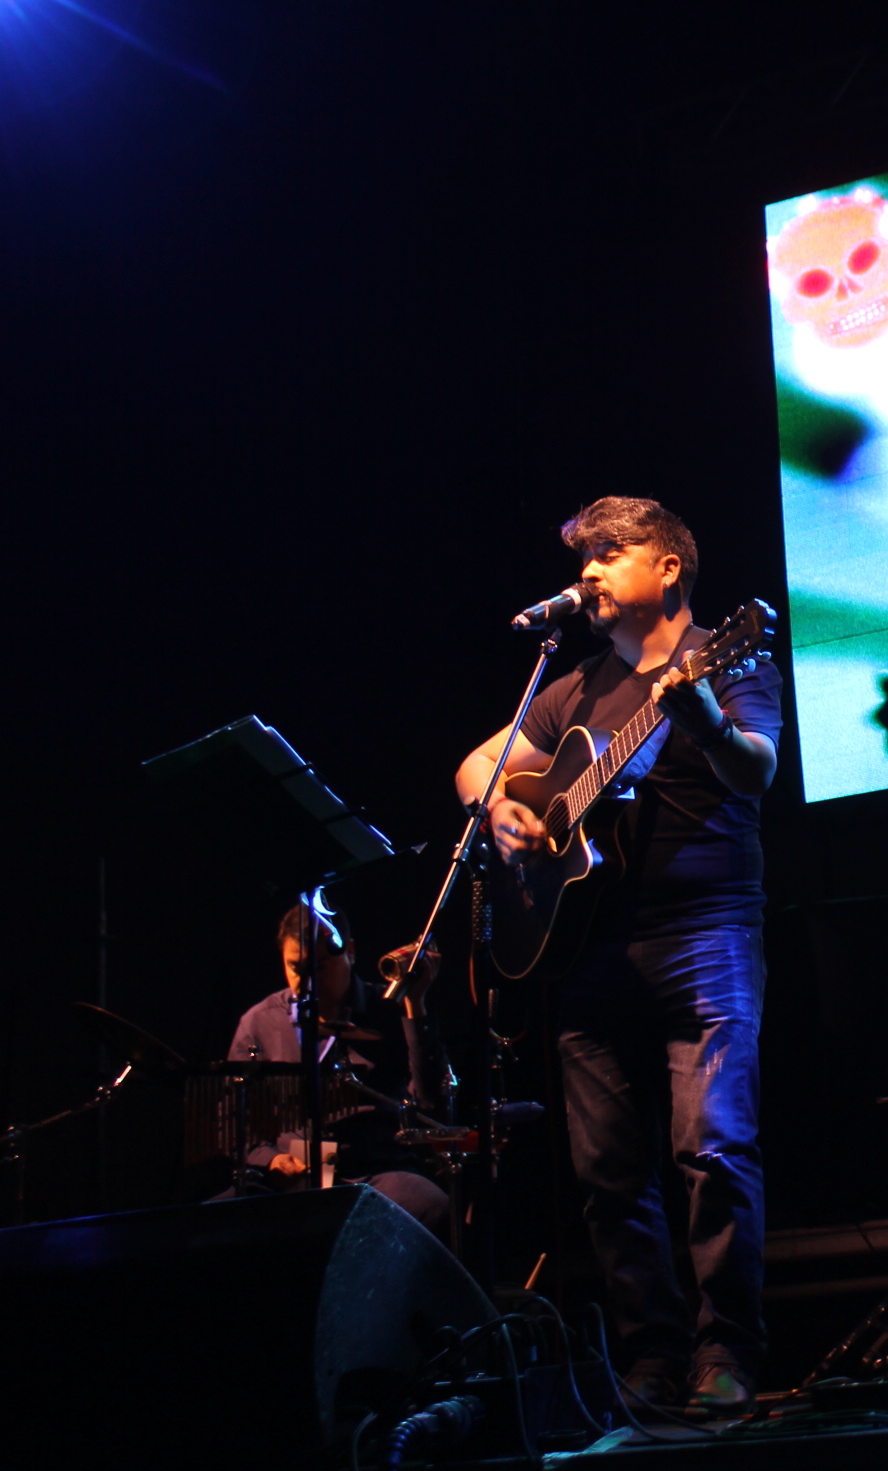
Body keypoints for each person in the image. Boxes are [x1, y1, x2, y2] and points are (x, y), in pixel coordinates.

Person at [455, 497, 782, 1414]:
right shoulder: (573, 688)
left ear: (668, 567)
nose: (589, 572)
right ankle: (651, 1358)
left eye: (609, 553)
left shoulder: (728, 654)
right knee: (607, 1171)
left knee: (713, 1146)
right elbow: (476, 765)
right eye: (584, 558)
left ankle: (727, 1353)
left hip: (705, 931)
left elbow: (756, 769)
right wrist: (503, 807)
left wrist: (704, 719)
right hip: (591, 947)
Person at [225, 902, 450, 1228]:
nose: (307, 983)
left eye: (320, 967)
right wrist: (270, 1159)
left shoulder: (391, 1010)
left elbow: (432, 1105)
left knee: (431, 1206)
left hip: (374, 1170)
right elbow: (232, 1119)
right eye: (295, 968)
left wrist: (415, 1006)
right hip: (291, 1175)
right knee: (208, 1223)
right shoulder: (260, 1021)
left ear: (351, 953)